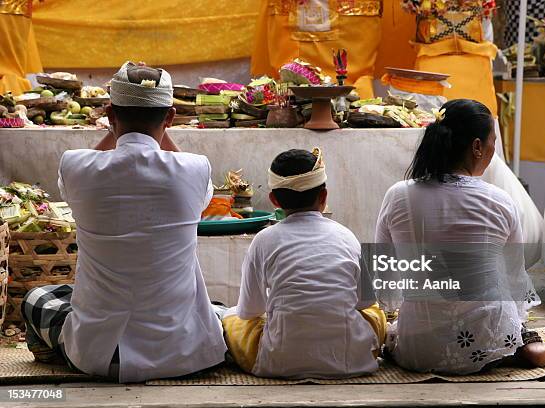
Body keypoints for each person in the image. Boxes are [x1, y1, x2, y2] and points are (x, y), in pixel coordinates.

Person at [20, 61, 227, 383]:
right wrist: (154, 128)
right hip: (183, 353)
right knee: (215, 308)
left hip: (96, 356)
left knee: (39, 297)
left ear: (109, 114)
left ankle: (55, 354)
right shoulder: (195, 168)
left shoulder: (75, 166)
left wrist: (114, 127)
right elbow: (196, 191)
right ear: (170, 117)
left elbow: (88, 168)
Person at [375, 99, 545, 375]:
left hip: (417, 350)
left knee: (390, 333)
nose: (492, 149)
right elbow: (513, 280)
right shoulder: (499, 200)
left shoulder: (398, 195)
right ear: (476, 146)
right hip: (487, 344)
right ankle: (525, 346)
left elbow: (384, 274)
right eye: (492, 141)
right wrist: (517, 327)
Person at [222, 148, 386, 379]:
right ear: (324, 196)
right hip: (351, 359)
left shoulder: (264, 240)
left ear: (274, 200)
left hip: (279, 362)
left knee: (232, 319)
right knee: (375, 313)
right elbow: (366, 301)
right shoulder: (346, 235)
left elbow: (250, 311)